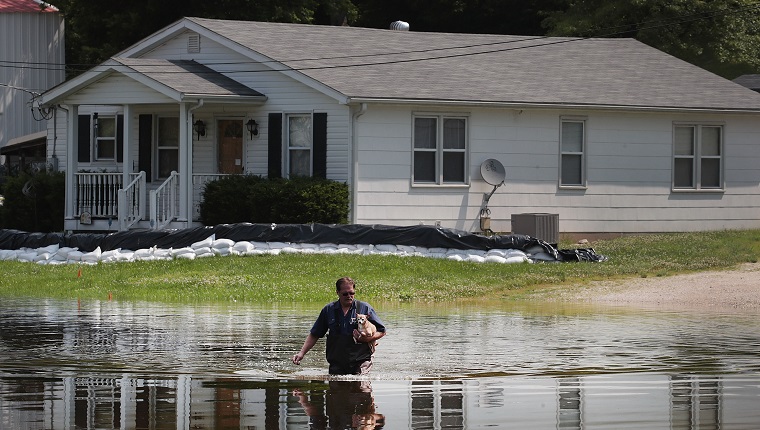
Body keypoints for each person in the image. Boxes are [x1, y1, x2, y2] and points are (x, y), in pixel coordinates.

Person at [292, 276, 386, 375]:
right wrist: (301, 353)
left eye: (352, 293)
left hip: (361, 360)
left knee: (361, 387)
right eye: (345, 294)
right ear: (337, 292)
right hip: (337, 362)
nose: (349, 296)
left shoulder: (365, 308)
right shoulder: (328, 310)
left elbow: (382, 331)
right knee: (336, 389)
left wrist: (368, 339)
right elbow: (315, 334)